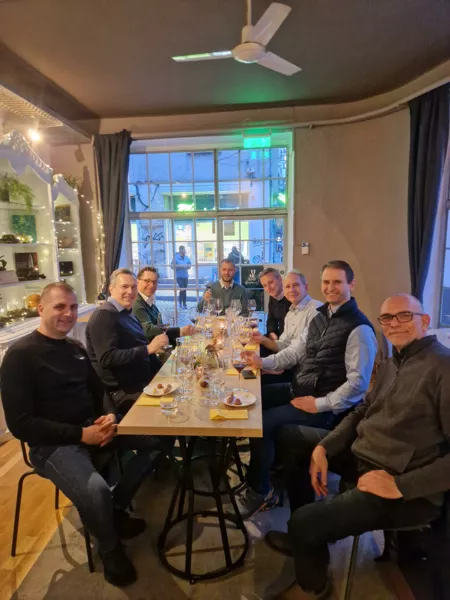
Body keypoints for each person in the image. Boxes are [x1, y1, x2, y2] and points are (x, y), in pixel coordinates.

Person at [269, 294, 450, 600]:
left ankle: (313, 584)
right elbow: (361, 412)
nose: (394, 324)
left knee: (304, 522)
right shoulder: (393, 362)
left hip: (402, 485)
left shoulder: (443, 367)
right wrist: (324, 447)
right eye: (387, 318)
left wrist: (401, 485)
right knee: (290, 436)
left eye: (404, 315)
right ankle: (310, 539)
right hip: (365, 455)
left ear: (425, 321)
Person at [1, 282, 170, 588]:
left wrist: (110, 416)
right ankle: (110, 548)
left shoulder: (74, 348)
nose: (68, 314)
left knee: (159, 440)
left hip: (92, 427)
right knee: (95, 491)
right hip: (52, 445)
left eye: (73, 307)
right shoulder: (19, 356)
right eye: (59, 307)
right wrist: (82, 435)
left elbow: (99, 390)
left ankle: (114, 510)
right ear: (41, 309)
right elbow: (21, 425)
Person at [236, 260, 377, 517]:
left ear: (351, 284)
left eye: (337, 282)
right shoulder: (321, 316)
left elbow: (358, 385)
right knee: (252, 397)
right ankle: (265, 468)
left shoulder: (359, 328)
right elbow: (294, 352)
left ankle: (261, 490)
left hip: (325, 407)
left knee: (262, 422)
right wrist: (262, 362)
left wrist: (319, 404)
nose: (330, 287)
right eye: (326, 282)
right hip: (300, 388)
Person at [86, 268, 169, 414]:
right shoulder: (104, 315)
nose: (130, 292)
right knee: (171, 408)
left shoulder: (127, 313)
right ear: (111, 289)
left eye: (133, 287)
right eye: (124, 286)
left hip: (141, 382)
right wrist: (148, 349)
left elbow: (142, 347)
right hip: (122, 393)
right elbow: (107, 358)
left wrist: (166, 372)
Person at [253, 270, 321, 383]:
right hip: (291, 367)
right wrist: (262, 339)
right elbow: (284, 344)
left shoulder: (316, 310)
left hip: (305, 375)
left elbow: (298, 352)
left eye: (296, 285)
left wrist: (264, 363)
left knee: (258, 384)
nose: (291, 290)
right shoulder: (291, 313)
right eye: (288, 287)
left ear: (306, 287)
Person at [133, 266, 195, 344]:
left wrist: (179, 345)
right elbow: (148, 330)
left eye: (155, 282)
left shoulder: (149, 301)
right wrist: (180, 331)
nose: (152, 285)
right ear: (137, 282)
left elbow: (162, 332)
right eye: (147, 281)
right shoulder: (136, 303)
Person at [259, 267, 291, 340]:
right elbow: (271, 319)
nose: (268, 288)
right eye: (264, 285)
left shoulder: (291, 297)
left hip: (288, 340)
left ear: (280, 279)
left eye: (270, 282)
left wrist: (276, 341)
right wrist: (272, 333)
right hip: (277, 338)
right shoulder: (273, 296)